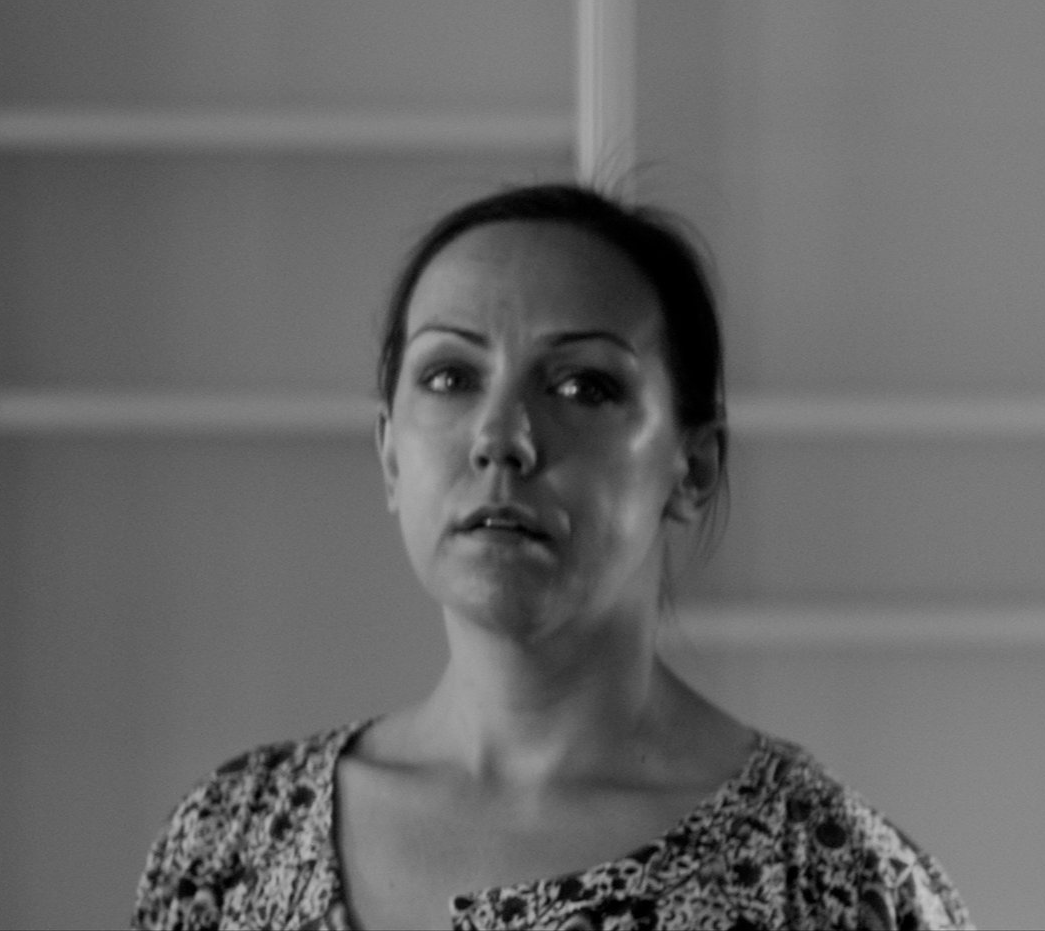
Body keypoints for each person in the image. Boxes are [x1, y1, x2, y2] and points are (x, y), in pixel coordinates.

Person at [131, 184, 972, 931]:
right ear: (390, 454)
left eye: (583, 387)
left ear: (694, 464)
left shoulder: (828, 882)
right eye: (450, 377)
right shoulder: (229, 841)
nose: (501, 437)